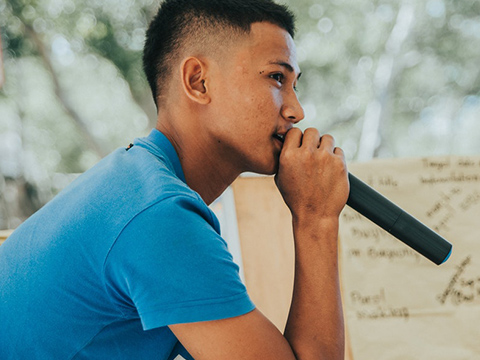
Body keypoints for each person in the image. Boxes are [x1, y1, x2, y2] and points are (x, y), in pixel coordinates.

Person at [0, 0, 349, 359]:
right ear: (198, 82)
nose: (296, 110)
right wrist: (316, 218)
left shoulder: (135, 182)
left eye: (294, 85)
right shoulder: (157, 216)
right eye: (277, 78)